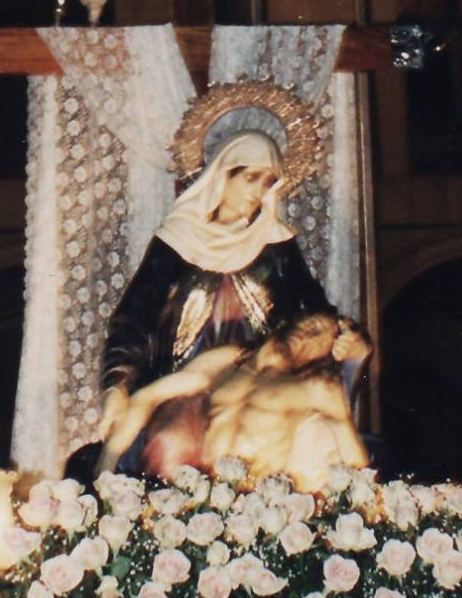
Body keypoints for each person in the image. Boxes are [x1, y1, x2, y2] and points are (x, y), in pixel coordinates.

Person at [97, 129, 332, 461]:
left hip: (256, 381)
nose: (258, 191)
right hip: (186, 380)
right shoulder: (177, 240)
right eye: (251, 178)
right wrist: (117, 384)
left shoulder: (276, 243)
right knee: (172, 443)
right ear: (223, 174)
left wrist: (346, 337)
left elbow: (313, 313)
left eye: (268, 182)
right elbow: (133, 321)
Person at [98, 311, 371, 489]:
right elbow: (148, 397)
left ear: (331, 352)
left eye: (321, 336)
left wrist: (368, 509)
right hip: (201, 497)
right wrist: (104, 470)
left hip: (256, 505)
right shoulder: (227, 362)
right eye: (312, 323)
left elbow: (357, 465)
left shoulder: (317, 387)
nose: (309, 333)